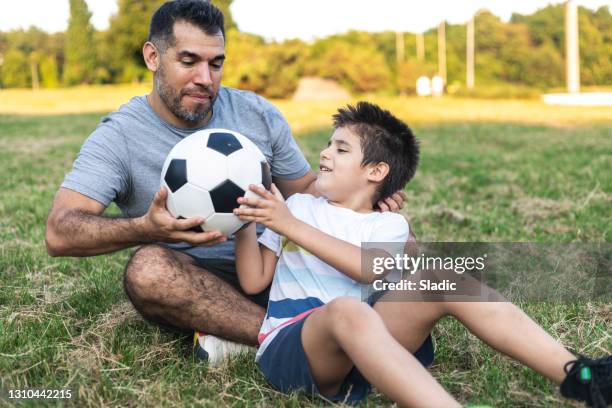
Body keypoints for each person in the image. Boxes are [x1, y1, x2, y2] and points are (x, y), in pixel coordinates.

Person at [44, 0, 407, 365]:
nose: (206, 77)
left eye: (216, 63)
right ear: (153, 57)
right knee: (149, 270)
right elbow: (60, 232)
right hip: (198, 281)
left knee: (410, 248)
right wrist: (145, 227)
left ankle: (351, 333)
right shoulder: (119, 136)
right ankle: (292, 341)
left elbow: (307, 191)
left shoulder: (256, 113)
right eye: (189, 61)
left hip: (278, 263)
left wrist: (367, 197)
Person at [232, 101, 612, 407]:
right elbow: (254, 280)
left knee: (442, 276)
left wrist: (287, 224)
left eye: (340, 148)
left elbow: (368, 269)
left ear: (376, 171)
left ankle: (580, 376)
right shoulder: (297, 207)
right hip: (293, 352)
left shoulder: (388, 227)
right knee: (347, 311)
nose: (324, 153)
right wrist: (246, 221)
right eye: (329, 144)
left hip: (365, 352)